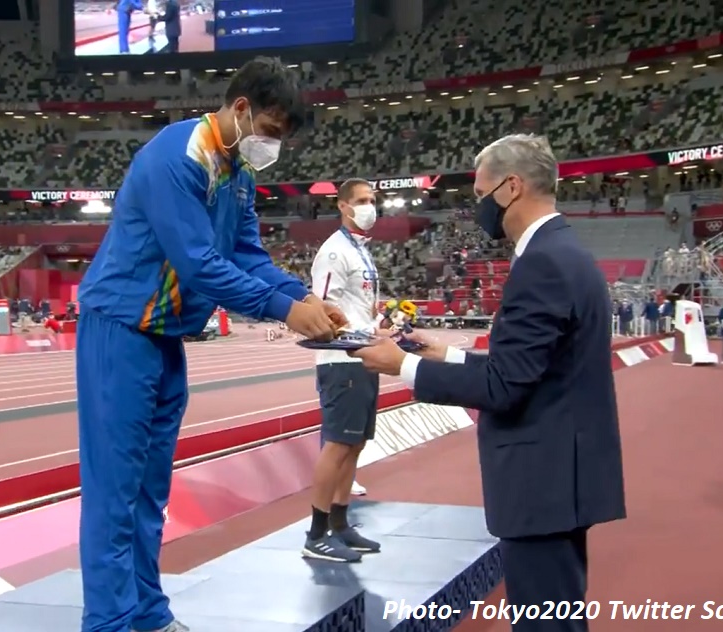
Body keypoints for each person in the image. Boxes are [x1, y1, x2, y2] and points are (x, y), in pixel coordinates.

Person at [75, 57, 344, 632]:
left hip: (166, 336)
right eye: (270, 133)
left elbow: (246, 254)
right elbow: (199, 264)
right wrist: (288, 312)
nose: (272, 146)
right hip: (121, 328)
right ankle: (108, 622)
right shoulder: (178, 159)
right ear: (241, 108)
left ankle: (147, 613)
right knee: (114, 491)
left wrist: (304, 298)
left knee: (150, 490)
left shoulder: (237, 171)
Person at [353, 134, 626, 631]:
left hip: (543, 482)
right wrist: (448, 354)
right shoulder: (562, 251)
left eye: (481, 194)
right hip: (561, 476)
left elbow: (505, 388)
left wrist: (402, 366)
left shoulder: (541, 262)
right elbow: (531, 368)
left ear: (512, 187)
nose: (478, 207)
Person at [304, 178, 383, 563]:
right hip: (341, 361)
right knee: (337, 444)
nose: (371, 207)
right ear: (343, 206)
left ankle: (339, 523)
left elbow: (357, 306)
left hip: (365, 356)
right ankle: (316, 534)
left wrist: (376, 325)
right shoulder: (335, 253)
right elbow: (323, 307)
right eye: (363, 201)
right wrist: (352, 335)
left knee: (355, 444)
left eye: (373, 200)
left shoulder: (361, 251)